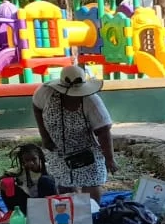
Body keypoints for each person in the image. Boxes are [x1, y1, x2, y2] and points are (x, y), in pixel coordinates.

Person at [32, 64, 118, 200]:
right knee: (65, 185)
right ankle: (71, 214)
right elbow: (37, 108)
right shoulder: (46, 93)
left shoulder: (92, 101)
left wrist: (109, 159)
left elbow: (103, 132)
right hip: (58, 148)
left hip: (87, 150)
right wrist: (45, 136)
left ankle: (91, 215)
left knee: (91, 183)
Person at [0, 143, 58, 212]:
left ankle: (47, 212)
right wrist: (0, 185)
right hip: (29, 204)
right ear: (23, 161)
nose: (31, 163)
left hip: (47, 205)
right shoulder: (20, 171)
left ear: (40, 157)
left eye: (34, 159)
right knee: (6, 184)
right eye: (27, 160)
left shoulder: (50, 169)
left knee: (45, 180)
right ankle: (13, 213)